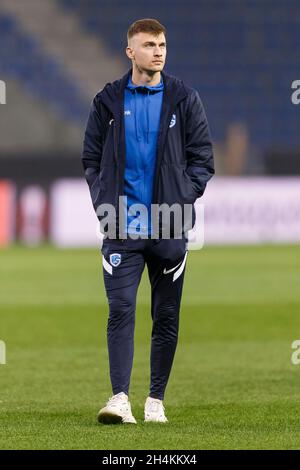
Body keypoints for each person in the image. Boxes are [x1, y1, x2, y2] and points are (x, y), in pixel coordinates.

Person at [82, 18, 214, 424]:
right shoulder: (107, 100)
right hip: (122, 226)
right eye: (149, 44)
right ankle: (120, 398)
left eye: (162, 44)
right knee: (120, 309)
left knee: (167, 314)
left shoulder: (183, 98)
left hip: (170, 225)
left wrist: (180, 196)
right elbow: (91, 159)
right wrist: (104, 203)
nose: (158, 51)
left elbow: (202, 160)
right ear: (130, 52)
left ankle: (155, 399)